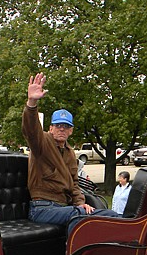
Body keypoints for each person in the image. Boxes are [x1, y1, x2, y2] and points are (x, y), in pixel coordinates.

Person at [22, 73, 120, 232]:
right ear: (51, 128)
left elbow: (74, 183)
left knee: (112, 215)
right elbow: (31, 131)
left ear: (71, 131)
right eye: (58, 125)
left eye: (66, 126)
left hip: (65, 207)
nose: (62, 129)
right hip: (42, 207)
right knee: (79, 216)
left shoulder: (69, 152)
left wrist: (81, 202)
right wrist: (32, 103)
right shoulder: (42, 142)